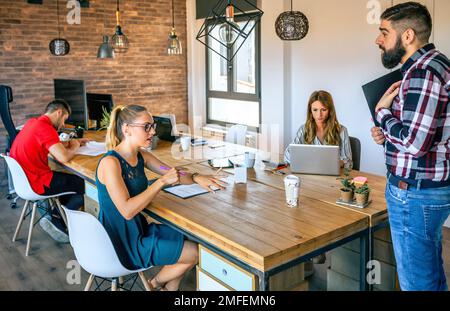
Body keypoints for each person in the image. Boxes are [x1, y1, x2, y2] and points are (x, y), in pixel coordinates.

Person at [96, 105, 227, 291]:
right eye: (146, 126)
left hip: (139, 230)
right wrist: (161, 182)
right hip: (121, 242)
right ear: (126, 129)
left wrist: (197, 177)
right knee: (194, 253)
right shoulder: (111, 163)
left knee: (190, 239)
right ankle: (155, 284)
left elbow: (171, 172)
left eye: (153, 125)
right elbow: (127, 211)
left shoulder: (142, 156)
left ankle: (165, 288)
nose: (153, 131)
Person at [371, 2, 449, 290]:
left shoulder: (423, 73)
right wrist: (387, 133)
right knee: (430, 273)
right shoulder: (435, 65)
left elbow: (416, 145)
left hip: (414, 193)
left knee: (417, 283)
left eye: (384, 32)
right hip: (427, 189)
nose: (378, 40)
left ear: (407, 36)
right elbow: (423, 133)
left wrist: (382, 113)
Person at [10, 99, 88, 243]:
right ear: (59, 112)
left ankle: (57, 217)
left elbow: (48, 144)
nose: (63, 125)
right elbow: (63, 157)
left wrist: (67, 143)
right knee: (84, 185)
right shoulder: (46, 128)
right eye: (64, 119)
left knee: (70, 182)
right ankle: (56, 218)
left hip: (25, 181)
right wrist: (75, 146)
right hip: (37, 181)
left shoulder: (33, 123)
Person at [284, 90, 353, 170]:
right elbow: (287, 155)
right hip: (309, 175)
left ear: (330, 110)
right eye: (315, 110)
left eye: (323, 110)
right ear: (310, 111)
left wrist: (340, 163)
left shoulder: (342, 131)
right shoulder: (304, 129)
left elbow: (349, 163)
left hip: (333, 178)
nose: (319, 115)